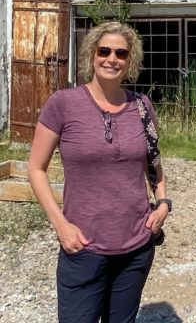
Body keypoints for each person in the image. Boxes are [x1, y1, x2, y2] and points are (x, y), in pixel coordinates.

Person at [28, 21, 171, 323]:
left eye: (121, 53)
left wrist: (163, 203)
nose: (112, 59)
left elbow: (155, 166)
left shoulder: (143, 106)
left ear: (130, 61)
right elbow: (36, 169)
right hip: (83, 246)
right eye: (104, 50)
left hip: (136, 247)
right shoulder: (63, 104)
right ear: (92, 55)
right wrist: (61, 226)